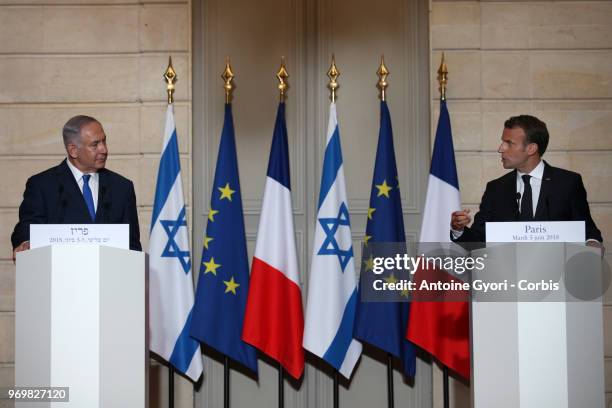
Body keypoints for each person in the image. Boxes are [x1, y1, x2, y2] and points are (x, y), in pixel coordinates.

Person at [450, 115, 603, 247]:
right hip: (508, 278)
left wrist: (592, 249)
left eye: (509, 143)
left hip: (557, 278)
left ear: (531, 149)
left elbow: (588, 231)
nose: (500, 148)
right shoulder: (496, 188)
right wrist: (459, 229)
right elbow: (479, 241)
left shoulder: (568, 183)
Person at [11, 115, 142, 261]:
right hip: (61, 275)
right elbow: (28, 226)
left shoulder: (122, 187)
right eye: (95, 144)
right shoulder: (42, 185)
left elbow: (132, 245)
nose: (104, 149)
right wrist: (25, 242)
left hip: (110, 278)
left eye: (104, 141)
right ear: (73, 150)